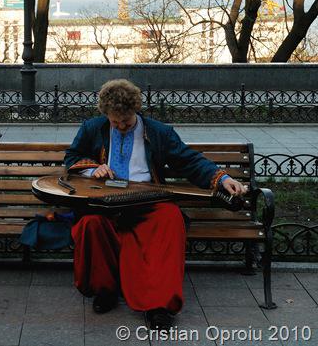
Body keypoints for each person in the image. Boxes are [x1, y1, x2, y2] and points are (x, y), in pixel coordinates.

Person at [64, 79, 247, 329]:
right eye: (114, 122)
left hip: (148, 200)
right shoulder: (92, 128)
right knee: (89, 225)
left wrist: (221, 178)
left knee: (170, 218)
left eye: (126, 122)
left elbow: (189, 161)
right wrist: (94, 168)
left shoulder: (159, 132)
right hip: (103, 202)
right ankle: (104, 290)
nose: (120, 127)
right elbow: (72, 158)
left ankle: (159, 305)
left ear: (136, 111)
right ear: (105, 115)